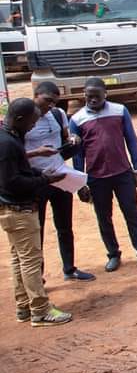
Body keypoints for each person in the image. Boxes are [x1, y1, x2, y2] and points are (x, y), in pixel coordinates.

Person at [70, 79, 137, 272]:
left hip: (123, 173)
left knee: (132, 213)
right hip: (96, 177)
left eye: (96, 96)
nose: (92, 100)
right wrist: (80, 182)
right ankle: (113, 254)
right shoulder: (77, 119)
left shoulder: (119, 111)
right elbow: (77, 154)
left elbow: (131, 140)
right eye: (88, 96)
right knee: (104, 217)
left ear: (105, 94)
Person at [1, 98, 72, 326]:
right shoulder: (8, 144)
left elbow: (14, 170)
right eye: (31, 122)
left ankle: (23, 307)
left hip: (9, 209)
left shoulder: (9, 138)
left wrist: (33, 160)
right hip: (19, 209)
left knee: (18, 259)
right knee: (31, 261)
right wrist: (45, 179)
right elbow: (13, 181)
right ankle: (40, 310)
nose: (33, 126)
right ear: (20, 119)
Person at [27, 82, 94, 281]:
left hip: (60, 175)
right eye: (47, 100)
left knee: (64, 225)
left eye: (54, 102)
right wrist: (37, 153)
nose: (50, 105)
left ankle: (69, 268)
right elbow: (13, 153)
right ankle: (37, 276)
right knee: (36, 229)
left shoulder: (57, 114)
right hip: (36, 180)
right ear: (36, 95)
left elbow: (65, 136)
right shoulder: (25, 118)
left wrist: (72, 138)